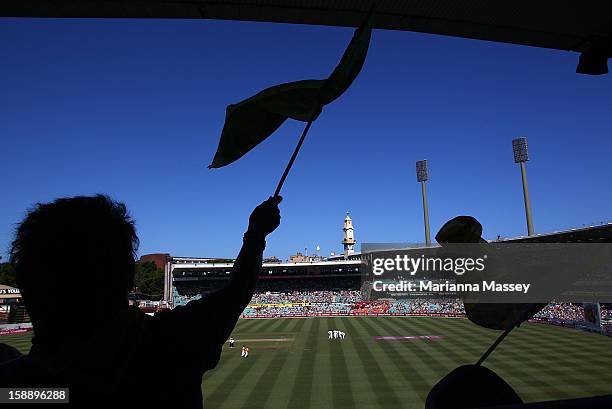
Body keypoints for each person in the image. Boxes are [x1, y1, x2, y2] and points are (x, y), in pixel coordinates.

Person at [0, 194, 281, 409]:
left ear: (26, 284)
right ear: (125, 275)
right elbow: (236, 293)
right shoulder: (169, 344)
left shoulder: (14, 388)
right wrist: (255, 235)